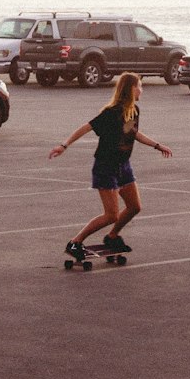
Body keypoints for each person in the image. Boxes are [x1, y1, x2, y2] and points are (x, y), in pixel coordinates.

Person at [49, 71, 172, 260]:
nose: (141, 90)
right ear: (131, 89)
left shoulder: (133, 110)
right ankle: (75, 242)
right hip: (105, 166)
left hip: (123, 165)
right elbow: (87, 127)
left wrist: (157, 145)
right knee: (111, 214)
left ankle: (112, 236)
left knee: (134, 207)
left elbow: (133, 133)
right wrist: (64, 145)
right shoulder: (112, 112)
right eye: (139, 86)